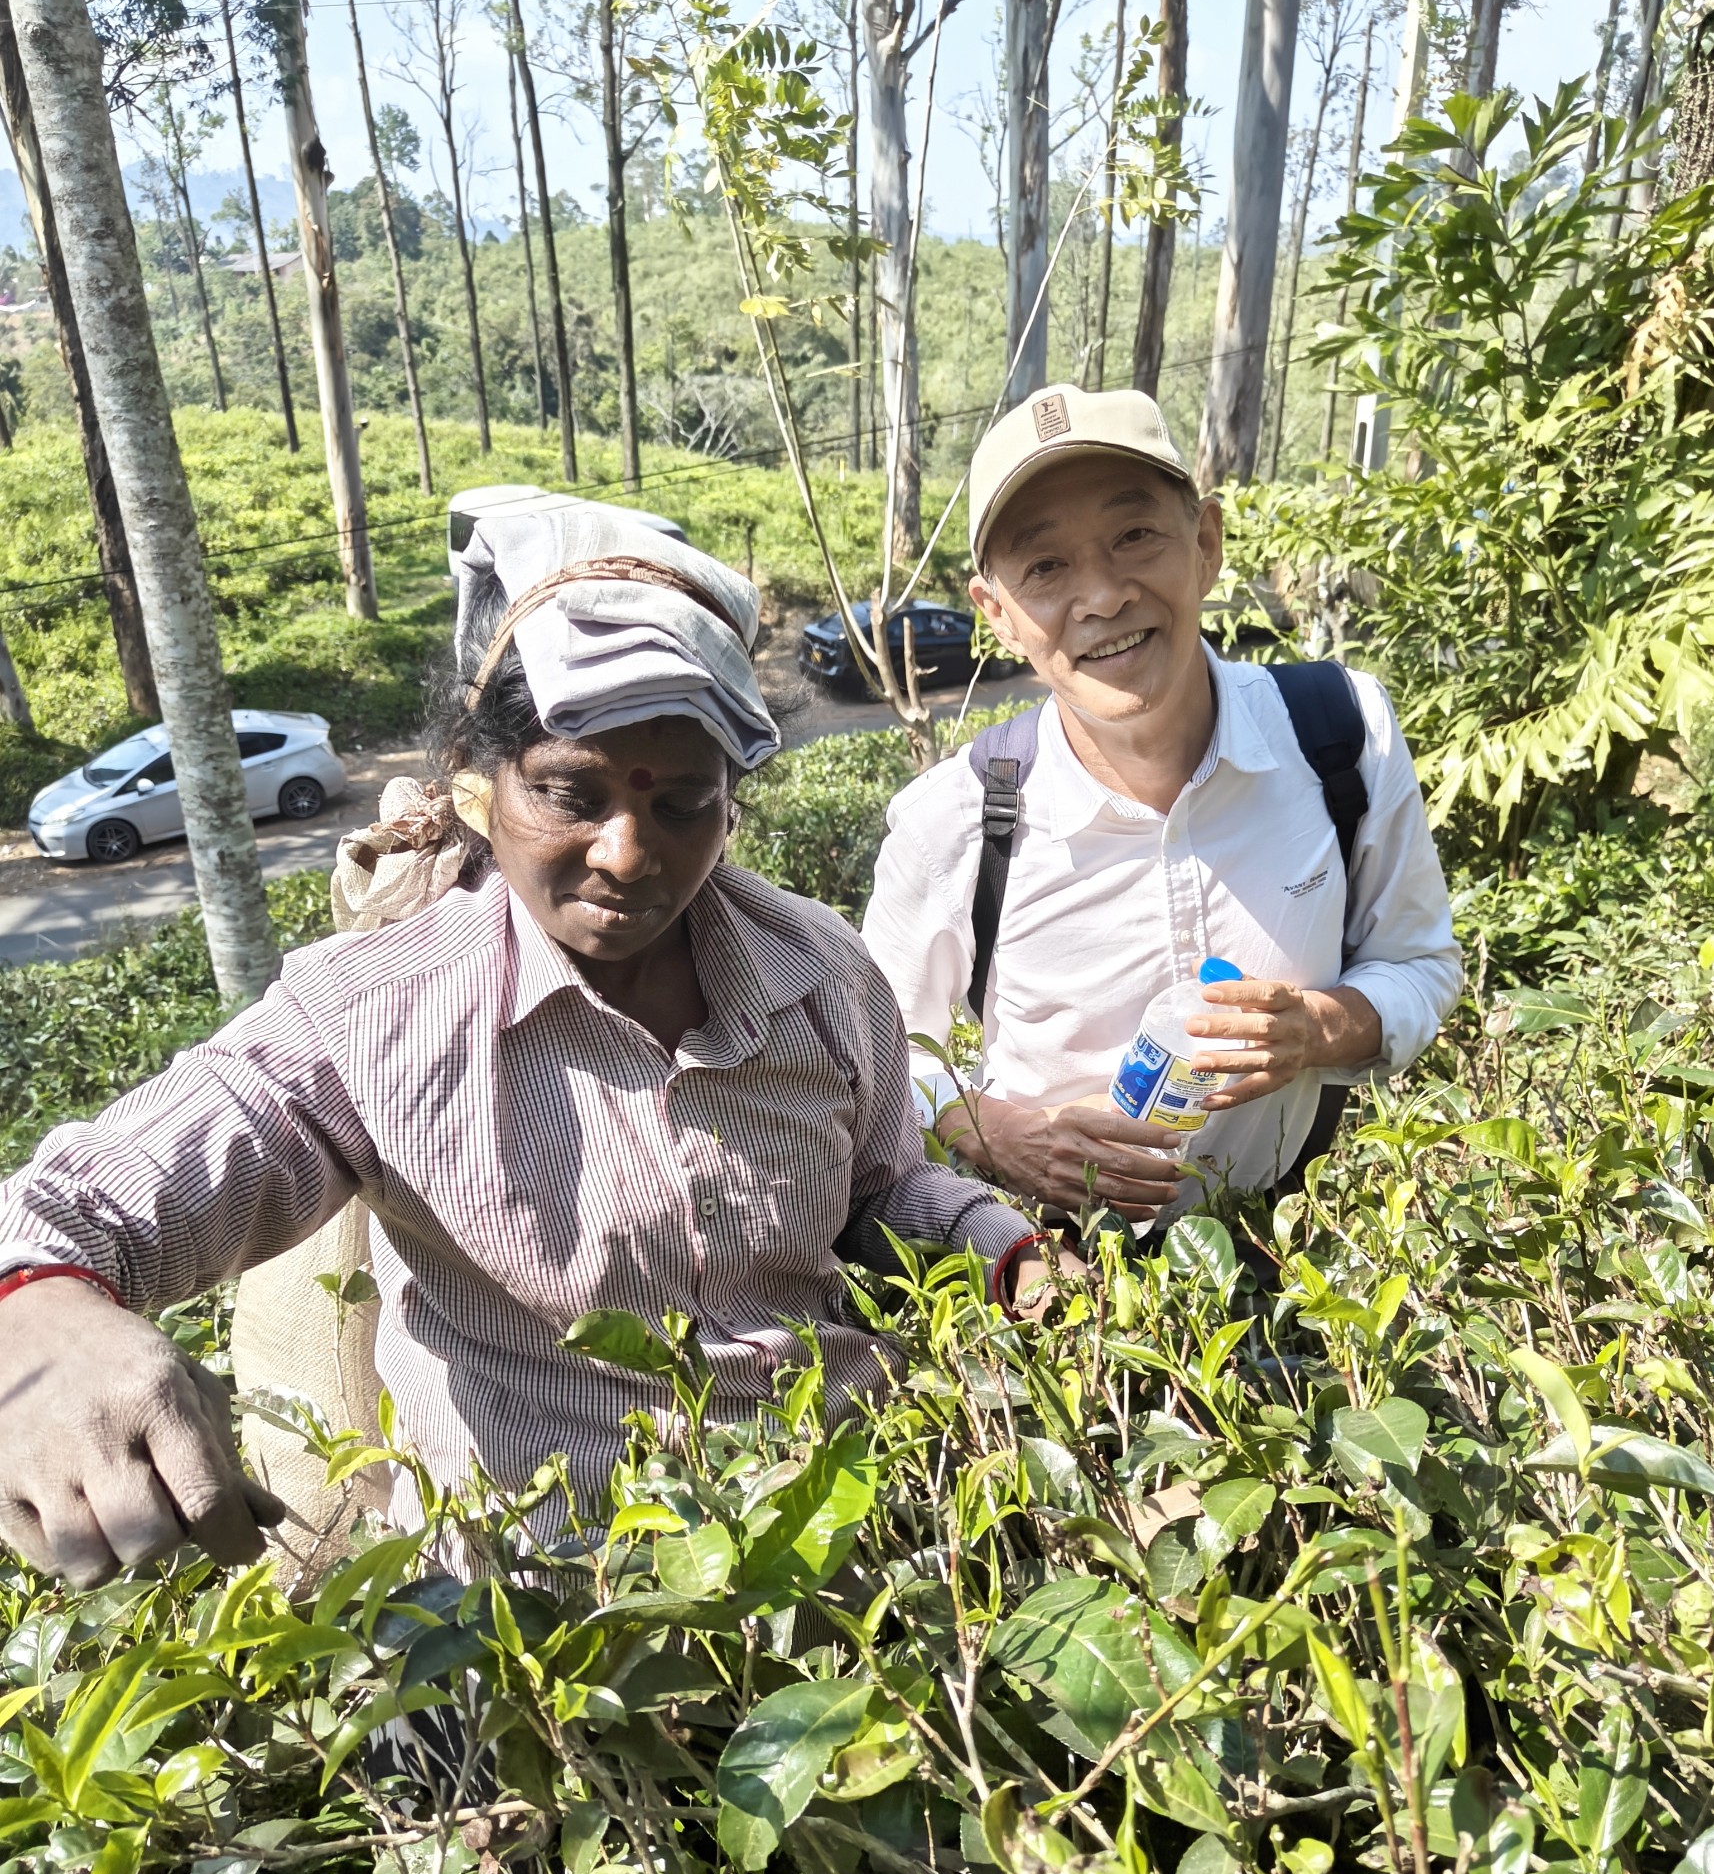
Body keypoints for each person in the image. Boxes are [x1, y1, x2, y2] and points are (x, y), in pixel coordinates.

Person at [0, 507, 1043, 1591]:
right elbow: (90, 1201)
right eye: (567, 794)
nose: (628, 853)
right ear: (476, 776)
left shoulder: (820, 973)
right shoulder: (380, 1016)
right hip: (546, 1615)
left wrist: (998, 1245)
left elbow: (878, 1195)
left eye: (683, 802)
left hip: (846, 1552)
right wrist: (37, 1312)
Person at [862, 383, 1463, 1224]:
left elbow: (1420, 965)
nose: (1103, 596)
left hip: (1293, 1243)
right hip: (1061, 1282)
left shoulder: (1341, 733)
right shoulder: (953, 819)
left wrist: (1321, 1030)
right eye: (1045, 567)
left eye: (1135, 535)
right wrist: (994, 1132)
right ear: (997, 614)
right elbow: (869, 1057)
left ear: (1206, 544)